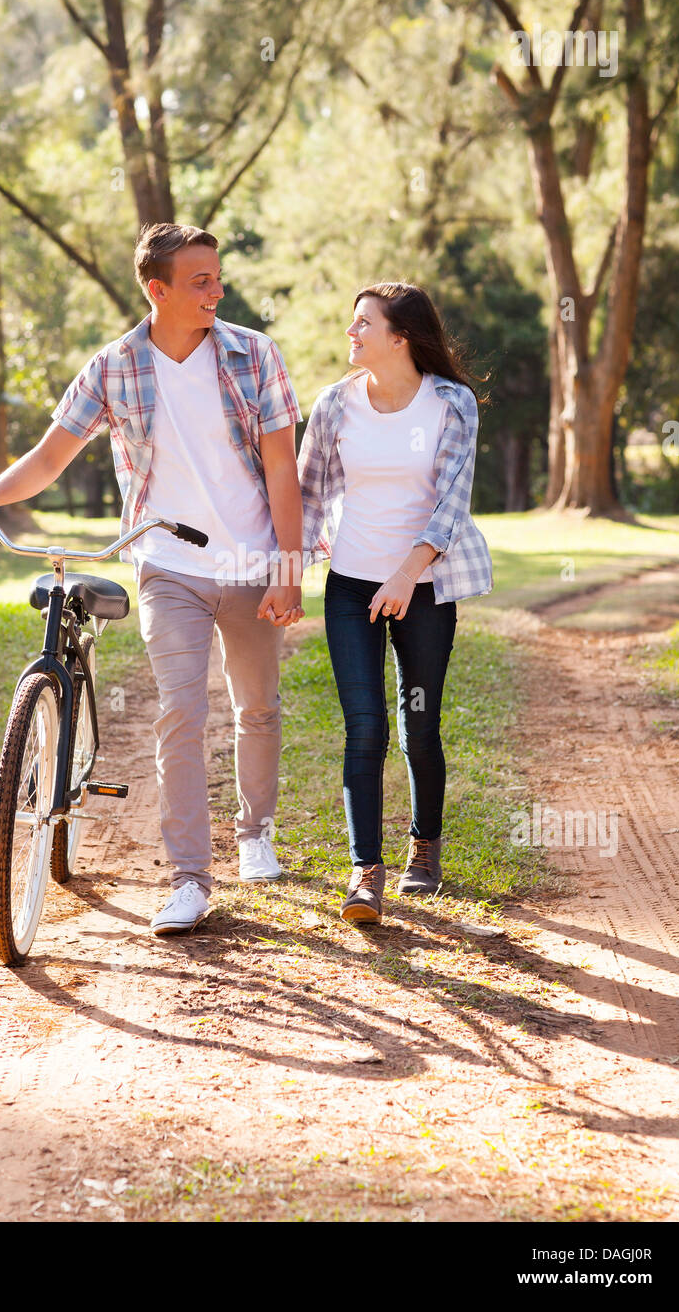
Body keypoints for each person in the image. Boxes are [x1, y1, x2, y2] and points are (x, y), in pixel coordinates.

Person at [0, 222, 304, 936]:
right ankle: (191, 878)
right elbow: (49, 460)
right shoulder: (114, 366)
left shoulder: (253, 354)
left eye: (218, 276)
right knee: (179, 712)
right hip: (167, 564)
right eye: (201, 280)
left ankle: (255, 832)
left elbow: (284, 469)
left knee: (257, 706)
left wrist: (288, 571)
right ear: (156, 288)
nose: (218, 290)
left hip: (253, 561)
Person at [297, 282, 493, 924]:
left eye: (362, 325)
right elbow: (309, 498)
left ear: (400, 337)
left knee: (419, 725)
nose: (350, 335)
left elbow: (451, 503)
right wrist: (285, 572)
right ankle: (365, 872)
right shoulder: (334, 405)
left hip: (424, 585)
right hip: (352, 583)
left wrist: (408, 574)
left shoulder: (450, 404)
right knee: (364, 725)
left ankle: (424, 849)